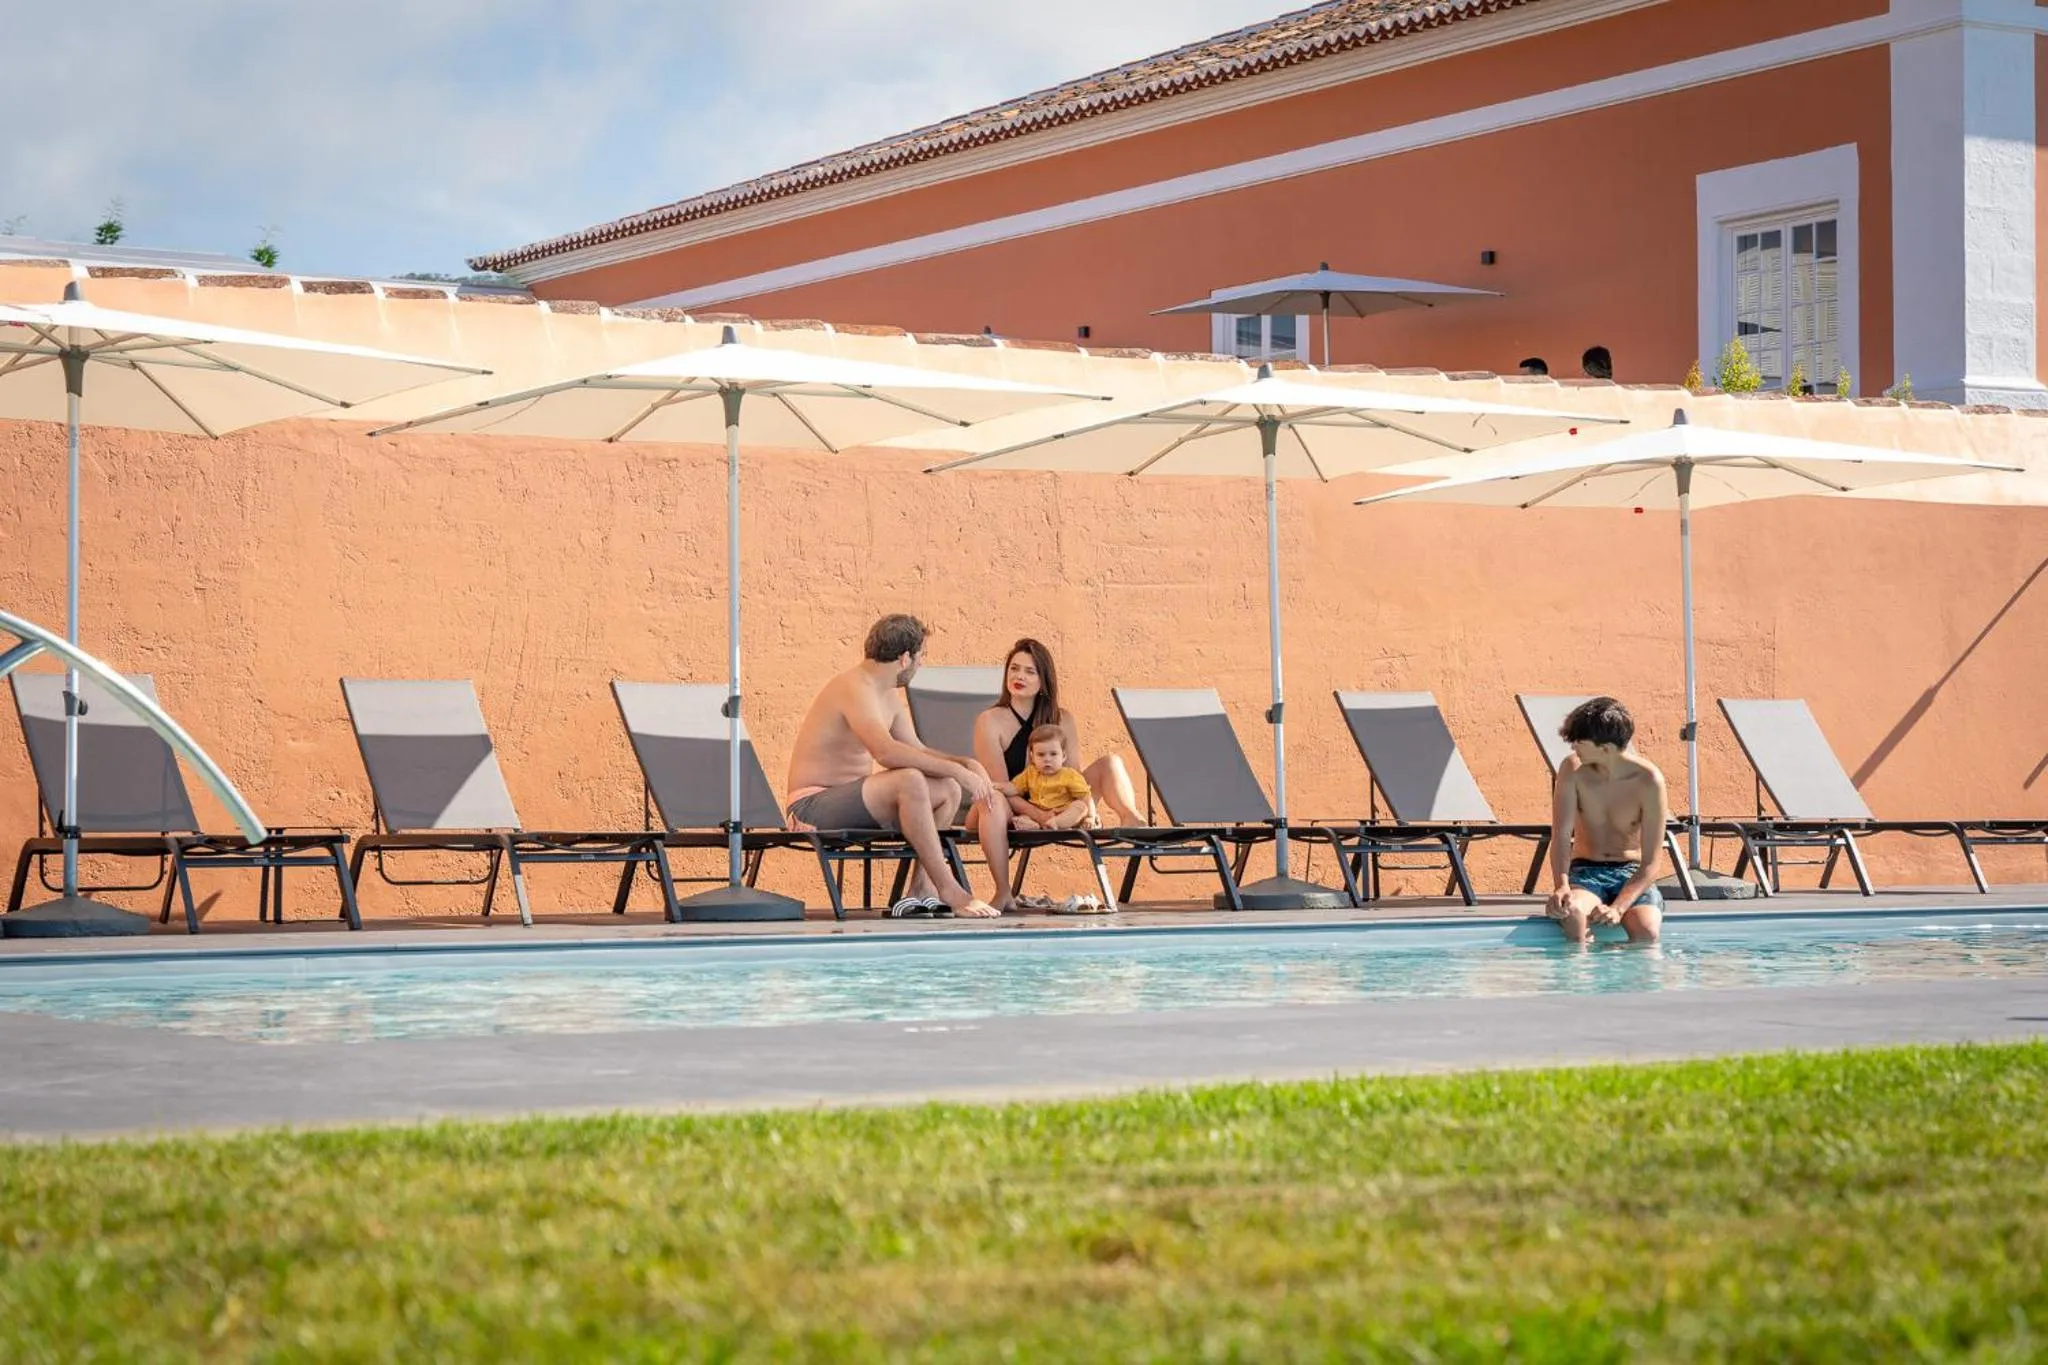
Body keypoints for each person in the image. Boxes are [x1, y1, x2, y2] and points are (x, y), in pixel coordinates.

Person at [785, 613, 1013, 917]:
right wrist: (957, 771)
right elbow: (887, 753)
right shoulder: (854, 687)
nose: (922, 665)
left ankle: (922, 889)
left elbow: (916, 749)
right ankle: (951, 889)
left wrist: (966, 764)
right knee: (911, 780)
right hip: (811, 808)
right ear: (905, 658)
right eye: (922, 657)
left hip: (855, 803)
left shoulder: (887, 695)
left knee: (947, 789)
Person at [970, 638, 1144, 829]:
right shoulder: (989, 721)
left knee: (1111, 763)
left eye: (1030, 672)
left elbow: (1073, 776)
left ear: (1043, 681)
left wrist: (1086, 809)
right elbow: (1001, 789)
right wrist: (1041, 815)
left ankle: (1132, 819)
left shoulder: (1062, 719)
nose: (1019, 676)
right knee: (1001, 795)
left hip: (1061, 807)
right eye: (1014, 669)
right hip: (1016, 810)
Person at [1544, 696, 1667, 944]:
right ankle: (1582, 979)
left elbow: (1652, 862)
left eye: (1579, 742)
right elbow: (1560, 835)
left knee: (1647, 932)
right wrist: (1562, 885)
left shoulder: (1649, 781)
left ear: (1606, 748)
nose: (1573, 747)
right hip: (1587, 871)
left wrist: (1619, 908)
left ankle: (1621, 980)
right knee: (1574, 913)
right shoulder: (1573, 770)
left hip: (1631, 873)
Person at [1006, 726, 1094, 831]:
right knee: (1023, 817)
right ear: (1032, 757)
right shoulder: (1030, 773)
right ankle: (1033, 826)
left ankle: (1056, 823)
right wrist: (998, 787)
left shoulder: (1069, 775)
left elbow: (1085, 796)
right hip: (1038, 814)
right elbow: (1015, 788)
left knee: (1080, 806)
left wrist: (1090, 817)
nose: (1047, 759)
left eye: (1053, 754)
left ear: (1063, 756)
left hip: (1063, 813)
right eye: (1041, 755)